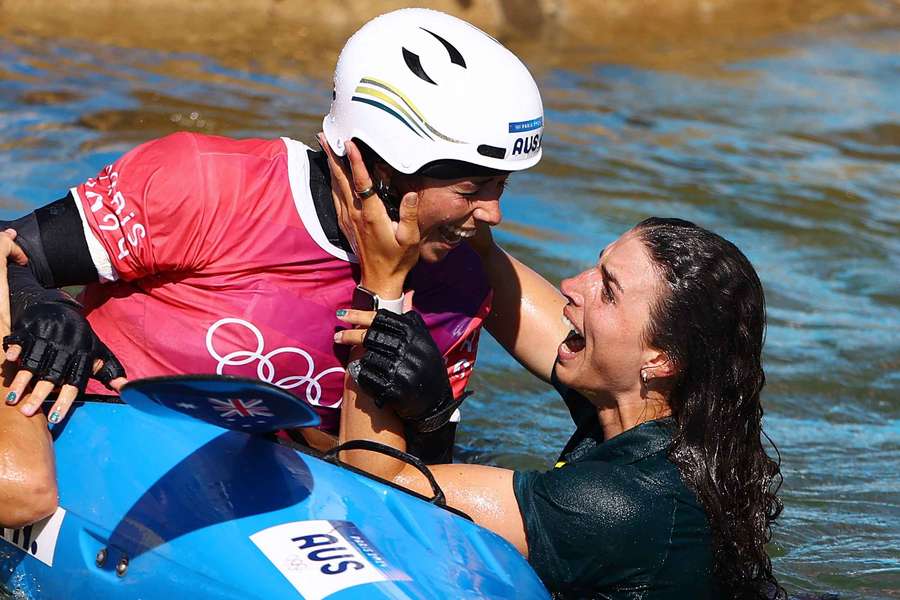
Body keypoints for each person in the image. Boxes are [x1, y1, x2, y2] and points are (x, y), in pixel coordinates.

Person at [0, 7, 544, 525]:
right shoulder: (204, 184)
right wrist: (43, 306)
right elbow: (8, 251)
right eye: (471, 189)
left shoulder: (459, 285)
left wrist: (430, 415)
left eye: (501, 186)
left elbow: (412, 498)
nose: (493, 213)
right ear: (378, 165)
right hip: (93, 454)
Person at [325, 151, 784, 598]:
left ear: (660, 360)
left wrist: (382, 284)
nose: (571, 285)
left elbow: (377, 499)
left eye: (607, 290)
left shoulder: (617, 504)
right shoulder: (653, 409)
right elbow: (497, 277)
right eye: (596, 265)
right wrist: (460, 205)